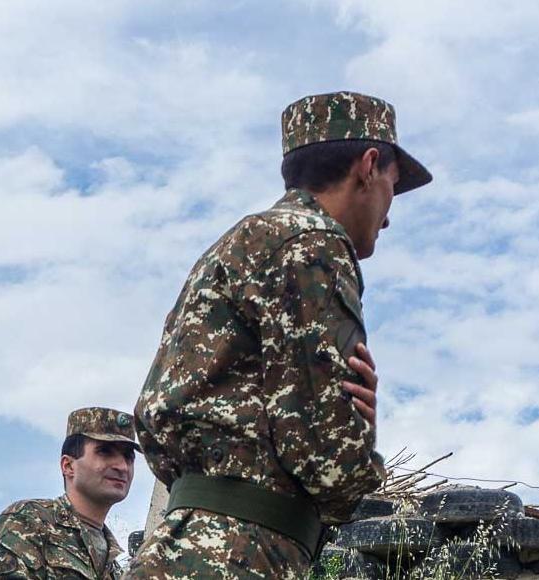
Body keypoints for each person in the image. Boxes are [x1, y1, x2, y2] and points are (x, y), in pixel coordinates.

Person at [126, 91, 433, 579]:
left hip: (188, 543)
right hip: (243, 552)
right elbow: (327, 458)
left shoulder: (241, 243)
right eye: (394, 188)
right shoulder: (314, 244)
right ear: (369, 166)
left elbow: (155, 417)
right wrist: (359, 441)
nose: (390, 214)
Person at [0, 407, 139, 580]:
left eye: (128, 457)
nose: (122, 466)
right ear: (68, 466)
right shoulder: (31, 521)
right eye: (105, 452)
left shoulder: (114, 564)